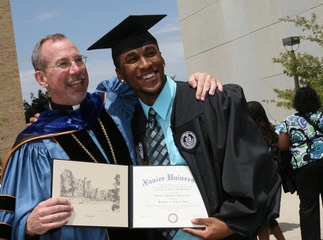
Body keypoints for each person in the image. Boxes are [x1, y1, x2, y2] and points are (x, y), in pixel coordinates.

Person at [0, 33, 222, 240]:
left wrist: (198, 80)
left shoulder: (112, 103)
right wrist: (29, 226)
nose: (76, 69)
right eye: (63, 64)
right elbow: (6, 222)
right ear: (42, 79)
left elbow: (147, 77)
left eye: (78, 59)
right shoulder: (34, 145)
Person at [88, 14, 282, 240]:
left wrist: (230, 223)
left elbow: (255, 169)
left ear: (162, 58)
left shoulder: (210, 101)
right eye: (132, 59)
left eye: (151, 53)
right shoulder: (131, 123)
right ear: (120, 74)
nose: (145, 64)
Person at [278, 86, 323, 240]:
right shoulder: (322, 116)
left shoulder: (290, 121)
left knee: (308, 206)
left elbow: (283, 145)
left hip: (304, 166)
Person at [247, 101, 285, 240]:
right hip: (272, 176)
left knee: (262, 217)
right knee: (267, 215)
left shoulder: (250, 134)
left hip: (257, 178)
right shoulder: (271, 130)